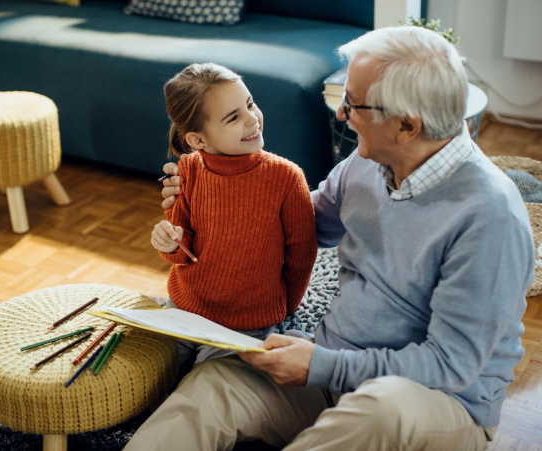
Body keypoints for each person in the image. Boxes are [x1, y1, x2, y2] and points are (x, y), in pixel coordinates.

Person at [125, 26, 534, 451]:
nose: (341, 115)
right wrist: (211, 197)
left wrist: (326, 365)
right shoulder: (365, 163)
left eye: (353, 104)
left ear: (407, 125)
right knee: (216, 383)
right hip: (330, 367)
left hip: (434, 400)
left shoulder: (490, 217)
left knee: (381, 408)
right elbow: (295, 227)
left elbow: (451, 365)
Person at [150, 63, 318, 374]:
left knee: (207, 387)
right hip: (185, 307)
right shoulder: (187, 171)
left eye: (250, 104)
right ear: (199, 140)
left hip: (248, 323)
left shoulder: (286, 178)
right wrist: (169, 243)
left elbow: (302, 255)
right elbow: (181, 250)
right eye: (234, 117)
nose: (252, 119)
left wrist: (284, 308)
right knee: (149, 372)